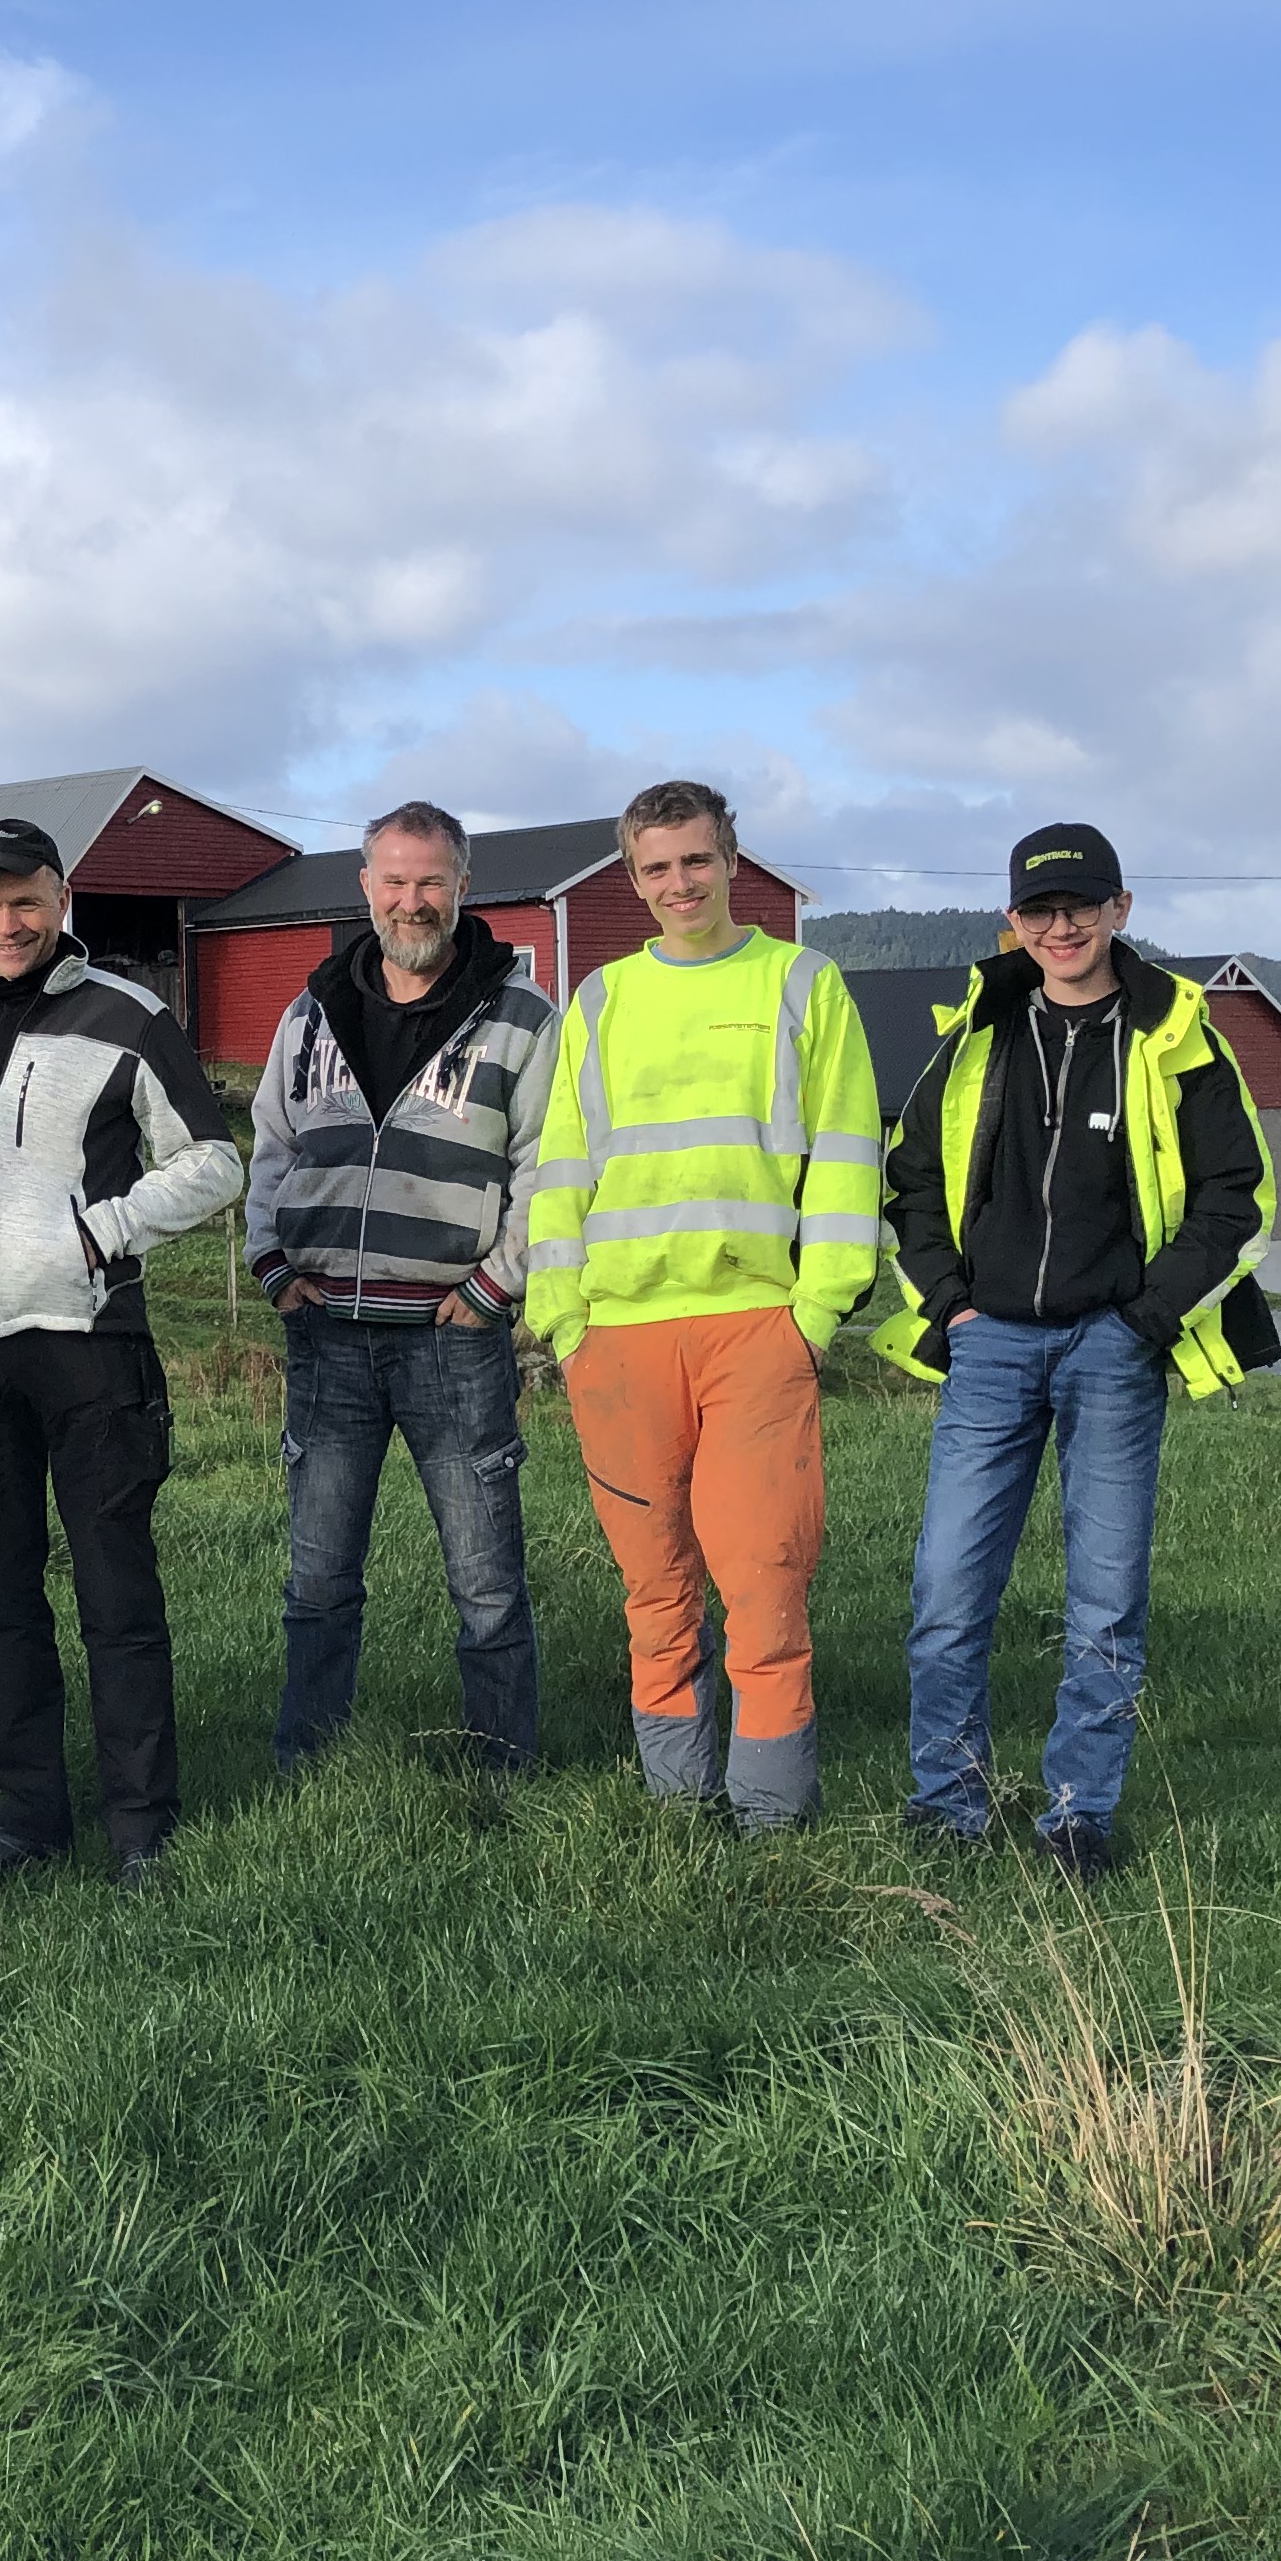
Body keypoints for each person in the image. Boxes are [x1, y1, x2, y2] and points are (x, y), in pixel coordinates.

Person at [872, 824, 1277, 1881]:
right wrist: (951, 1304)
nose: (1061, 927)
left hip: (1113, 1348)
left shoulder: (1178, 1037)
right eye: (1040, 911)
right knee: (949, 1592)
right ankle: (947, 1803)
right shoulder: (976, 1033)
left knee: (1105, 1601)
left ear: (1121, 910)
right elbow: (909, 1176)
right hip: (991, 1345)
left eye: (1082, 907)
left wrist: (1146, 1319)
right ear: (1013, 923)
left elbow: (1240, 1196)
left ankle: (1076, 1817)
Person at [523, 778, 883, 1832]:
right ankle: (681, 1808)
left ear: (733, 861)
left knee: (764, 1582)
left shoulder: (804, 985)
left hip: (757, 1332)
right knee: (655, 1594)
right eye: (655, 867)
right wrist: (565, 1318)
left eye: (696, 860)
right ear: (633, 880)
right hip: (619, 1342)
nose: (678, 883)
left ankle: (773, 1816)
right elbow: (562, 1165)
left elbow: (849, 1156)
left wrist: (815, 1315)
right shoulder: (600, 1000)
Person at [0, 817, 246, 1887]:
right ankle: (26, 1819)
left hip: (90, 1347)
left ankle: (141, 1829)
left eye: (27, 900)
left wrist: (100, 1231)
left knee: (115, 1598)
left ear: (63, 902)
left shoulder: (127, 1014)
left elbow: (216, 1161)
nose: (8, 922)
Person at [243, 801, 556, 1775]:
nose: (410, 900)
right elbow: (270, 1147)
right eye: (393, 880)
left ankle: (503, 1768)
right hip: (328, 1331)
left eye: (431, 881)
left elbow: (553, 1167)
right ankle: (307, 1761)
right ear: (365, 887)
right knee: (318, 1577)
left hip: (452, 1337)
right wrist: (274, 1266)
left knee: (486, 1581)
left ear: (463, 887)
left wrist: (498, 1285)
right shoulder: (310, 1012)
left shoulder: (522, 1017)